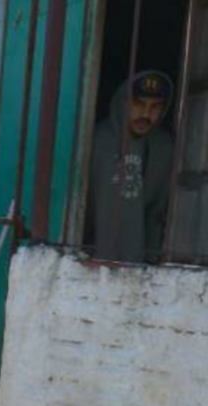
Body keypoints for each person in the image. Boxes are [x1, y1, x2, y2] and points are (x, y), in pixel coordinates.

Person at [87, 70, 175, 263]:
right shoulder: (94, 140)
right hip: (91, 260)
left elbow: (159, 212)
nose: (146, 114)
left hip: (142, 267)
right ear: (122, 102)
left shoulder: (164, 147)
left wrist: (153, 261)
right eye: (138, 104)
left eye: (155, 107)